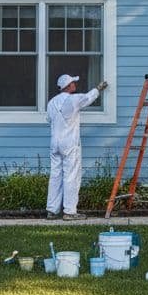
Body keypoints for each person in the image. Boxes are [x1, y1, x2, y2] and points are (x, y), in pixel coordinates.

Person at [46, 73, 108, 220]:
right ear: (68, 86)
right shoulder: (73, 100)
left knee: (55, 176)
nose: (75, 84)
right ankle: (69, 211)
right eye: (73, 82)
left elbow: (49, 119)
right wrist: (98, 89)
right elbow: (87, 98)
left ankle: (52, 210)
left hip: (55, 143)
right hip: (69, 143)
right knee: (71, 176)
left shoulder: (51, 102)